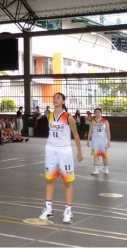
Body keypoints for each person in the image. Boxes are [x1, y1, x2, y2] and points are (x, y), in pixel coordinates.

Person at [35, 92, 83, 224]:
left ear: (63, 101)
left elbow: (76, 134)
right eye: (54, 98)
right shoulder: (49, 115)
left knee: (67, 182)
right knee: (49, 180)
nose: (55, 99)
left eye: (58, 98)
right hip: (50, 149)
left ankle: (68, 211)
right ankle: (48, 209)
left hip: (64, 151)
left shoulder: (68, 117)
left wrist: (79, 151)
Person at [87, 108, 111, 175]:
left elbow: (108, 132)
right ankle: (96, 170)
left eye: (98, 112)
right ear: (94, 113)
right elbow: (90, 131)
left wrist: (109, 141)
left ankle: (106, 169)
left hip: (103, 140)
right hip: (95, 140)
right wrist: (88, 140)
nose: (97, 113)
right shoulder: (92, 121)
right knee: (96, 155)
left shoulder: (105, 121)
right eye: (96, 112)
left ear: (101, 113)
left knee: (104, 155)